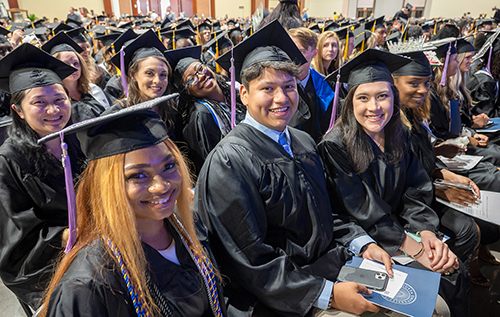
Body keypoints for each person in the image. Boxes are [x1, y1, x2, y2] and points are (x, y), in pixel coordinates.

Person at [197, 20, 394, 317]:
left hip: (328, 267)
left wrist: (361, 242)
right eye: (267, 88)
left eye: (288, 87)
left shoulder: (302, 141)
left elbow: (326, 211)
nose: (281, 98)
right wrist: (327, 295)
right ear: (244, 95)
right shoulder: (229, 161)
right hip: (280, 296)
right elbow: (250, 260)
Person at [319, 49, 469, 317]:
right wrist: (413, 247)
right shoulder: (335, 146)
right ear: (350, 101)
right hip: (364, 241)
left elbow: (416, 189)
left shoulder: (399, 133)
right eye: (363, 97)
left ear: (393, 98)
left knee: (455, 272)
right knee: (438, 286)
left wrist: (426, 232)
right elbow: (359, 209)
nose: (374, 107)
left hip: (401, 230)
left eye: (383, 96)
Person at [39, 103, 226, 317]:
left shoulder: (189, 228)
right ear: (107, 186)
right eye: (137, 175)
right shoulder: (89, 285)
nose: (161, 186)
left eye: (169, 166)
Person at [0, 43, 82, 310]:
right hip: (54, 270)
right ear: (19, 111)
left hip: (99, 249)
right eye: (39, 103)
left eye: (60, 99)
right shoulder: (7, 162)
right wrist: (69, 235)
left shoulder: (81, 136)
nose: (53, 110)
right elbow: (15, 242)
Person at [165, 45, 246, 175]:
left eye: (200, 69)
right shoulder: (202, 115)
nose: (201, 76)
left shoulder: (233, 89)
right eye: (191, 79)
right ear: (187, 91)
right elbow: (214, 165)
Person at [108, 30, 181, 140]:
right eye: (149, 73)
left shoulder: (170, 108)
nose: (157, 80)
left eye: (163, 75)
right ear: (133, 75)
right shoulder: (119, 114)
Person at [42, 33, 111, 123]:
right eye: (66, 64)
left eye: (76, 63)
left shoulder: (93, 90)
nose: (73, 68)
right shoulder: (53, 100)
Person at [288, 27, 335, 142]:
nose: (294, 57)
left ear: (314, 53)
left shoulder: (326, 85)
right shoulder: (279, 87)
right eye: (290, 50)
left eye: (301, 51)